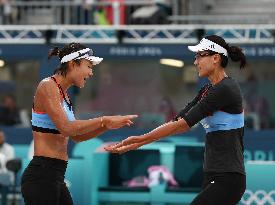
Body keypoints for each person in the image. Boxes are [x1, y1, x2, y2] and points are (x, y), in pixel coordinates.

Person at [106, 35, 246, 205]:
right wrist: (138, 142)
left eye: (199, 56)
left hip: (228, 177)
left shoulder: (226, 88)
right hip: (212, 174)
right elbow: (177, 120)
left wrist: (140, 140)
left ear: (215, 58)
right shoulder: (206, 90)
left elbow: (182, 125)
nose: (195, 62)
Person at [20, 42, 138, 205]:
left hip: (55, 176)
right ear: (73, 64)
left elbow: (77, 137)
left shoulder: (65, 96)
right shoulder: (48, 86)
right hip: (41, 176)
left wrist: (106, 126)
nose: (90, 73)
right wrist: (104, 119)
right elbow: (66, 128)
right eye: (88, 66)